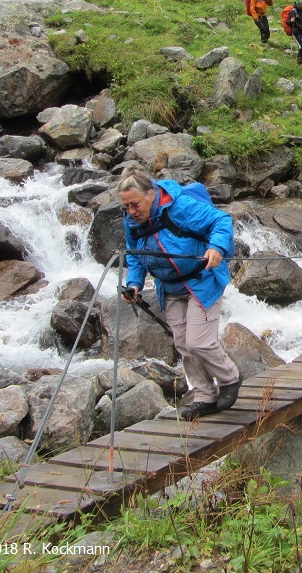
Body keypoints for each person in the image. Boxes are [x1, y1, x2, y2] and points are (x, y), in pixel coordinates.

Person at [118, 167, 241, 421]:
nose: (131, 212)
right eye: (126, 206)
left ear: (151, 195)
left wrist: (217, 247)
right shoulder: (132, 222)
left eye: (135, 204)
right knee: (183, 344)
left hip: (201, 279)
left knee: (199, 342)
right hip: (169, 286)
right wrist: (134, 285)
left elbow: (221, 220)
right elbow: (137, 256)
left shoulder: (180, 207)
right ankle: (204, 395)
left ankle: (230, 378)